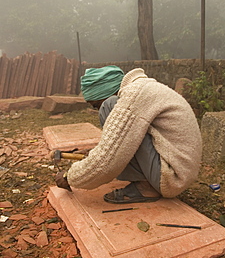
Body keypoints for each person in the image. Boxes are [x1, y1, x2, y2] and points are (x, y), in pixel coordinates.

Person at [55, 65, 202, 204]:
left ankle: (146, 187)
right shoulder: (140, 89)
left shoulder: (132, 98)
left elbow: (107, 160)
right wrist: (95, 152)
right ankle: (146, 181)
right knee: (119, 130)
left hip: (172, 178)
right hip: (178, 170)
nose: (97, 110)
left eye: (95, 105)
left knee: (109, 107)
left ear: (105, 92)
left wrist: (70, 177)